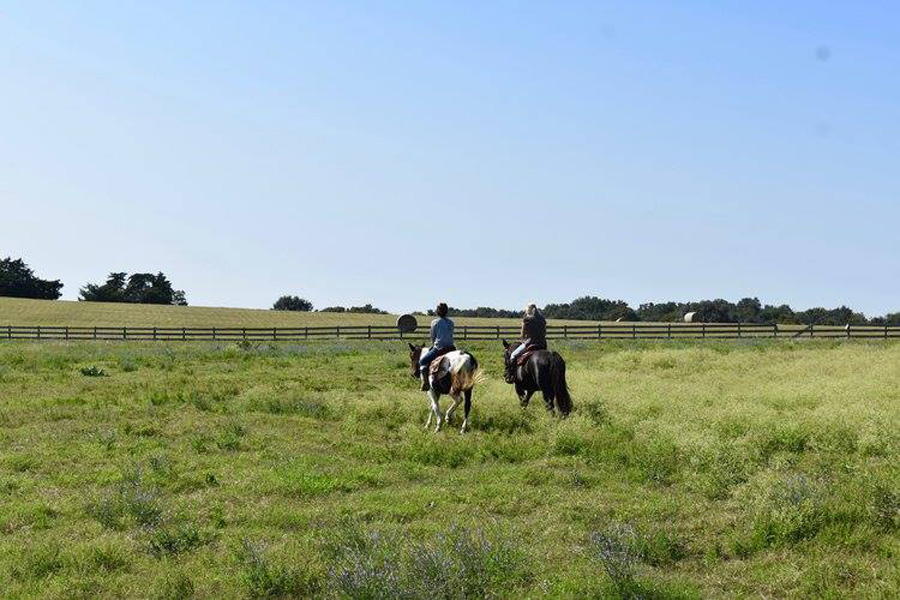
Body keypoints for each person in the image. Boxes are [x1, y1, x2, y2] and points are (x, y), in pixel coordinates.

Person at [419, 302, 455, 390]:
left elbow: (433, 336)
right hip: (451, 347)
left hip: (439, 348)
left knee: (422, 361)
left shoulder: (434, 322)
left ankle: (425, 383)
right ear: (446, 312)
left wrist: (433, 345)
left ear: (437, 312)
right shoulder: (451, 322)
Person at [507, 303, 546, 382]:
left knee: (513, 355)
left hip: (530, 343)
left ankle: (511, 376)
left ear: (528, 310)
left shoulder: (526, 319)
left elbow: (522, 335)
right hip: (543, 344)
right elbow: (544, 333)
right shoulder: (542, 319)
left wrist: (523, 340)